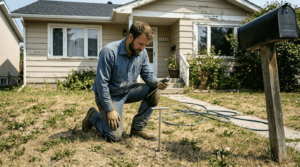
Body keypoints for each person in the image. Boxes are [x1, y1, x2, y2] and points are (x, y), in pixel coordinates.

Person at [82, 21, 169, 142]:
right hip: (109, 95)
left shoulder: (142, 52)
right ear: (130, 37)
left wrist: (157, 83)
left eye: (145, 45)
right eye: (140, 44)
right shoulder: (109, 52)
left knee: (154, 91)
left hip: (128, 91)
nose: (143, 48)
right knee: (115, 137)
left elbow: (148, 75)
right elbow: (101, 85)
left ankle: (138, 128)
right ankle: (93, 116)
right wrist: (110, 109)